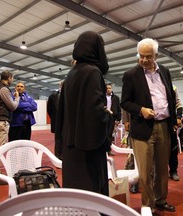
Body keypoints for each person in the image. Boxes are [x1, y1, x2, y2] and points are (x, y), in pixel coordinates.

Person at [121, 38, 176, 215]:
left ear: (156, 55)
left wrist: (174, 121)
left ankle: (161, 200)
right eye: (141, 56)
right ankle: (148, 205)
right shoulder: (130, 75)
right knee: (145, 172)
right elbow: (125, 102)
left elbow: (170, 98)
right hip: (142, 128)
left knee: (161, 169)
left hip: (163, 126)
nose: (144, 60)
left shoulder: (165, 72)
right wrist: (141, 110)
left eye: (148, 56)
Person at [56, 31, 112, 195]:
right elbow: (95, 112)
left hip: (71, 145)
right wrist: (107, 115)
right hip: (88, 148)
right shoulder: (93, 72)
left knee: (76, 195)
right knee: (92, 194)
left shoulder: (71, 73)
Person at [0, 70, 20, 185]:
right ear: (9, 78)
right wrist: (16, 98)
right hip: (1, 121)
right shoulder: (3, 89)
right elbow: (12, 106)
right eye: (12, 78)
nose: (12, 80)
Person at [169, 85, 183, 181]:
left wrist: (178, 117)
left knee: (173, 149)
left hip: (171, 123)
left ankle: (173, 171)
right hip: (155, 122)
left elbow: (179, 104)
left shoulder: (173, 87)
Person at [47, 80, 63, 159]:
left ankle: (66, 156)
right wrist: (55, 118)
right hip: (57, 121)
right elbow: (49, 110)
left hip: (68, 122)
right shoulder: (52, 96)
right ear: (60, 85)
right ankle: (57, 156)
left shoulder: (71, 95)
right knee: (58, 139)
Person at [106, 83, 121, 156]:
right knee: (102, 135)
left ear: (111, 89)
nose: (108, 89)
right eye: (107, 88)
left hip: (112, 118)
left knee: (109, 135)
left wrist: (118, 119)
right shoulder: (102, 97)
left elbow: (118, 109)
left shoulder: (116, 98)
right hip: (103, 118)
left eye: (109, 88)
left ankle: (108, 150)